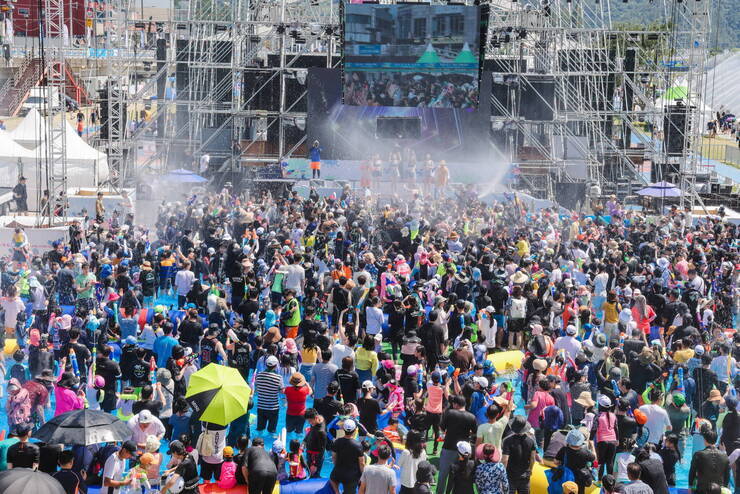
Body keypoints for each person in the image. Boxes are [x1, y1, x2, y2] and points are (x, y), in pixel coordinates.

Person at [437, 395, 477, 494]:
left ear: (455, 404)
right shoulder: (471, 417)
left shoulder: (450, 413)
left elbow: (442, 428)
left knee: (443, 474)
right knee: (455, 475)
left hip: (448, 448)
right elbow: (475, 432)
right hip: (463, 451)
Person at [501, 415, 536, 494]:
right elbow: (532, 458)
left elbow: (505, 459)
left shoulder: (507, 440)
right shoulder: (531, 441)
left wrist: (502, 474)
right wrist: (530, 470)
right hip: (524, 476)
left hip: (510, 475)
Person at [689, 429, 731, 494]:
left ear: (704, 440)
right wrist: (724, 487)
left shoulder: (698, 454)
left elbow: (692, 472)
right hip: (718, 490)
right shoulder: (724, 456)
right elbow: (727, 475)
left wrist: (690, 486)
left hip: (702, 490)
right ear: (716, 440)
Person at [330, 419, 365, 494]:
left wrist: (337, 467)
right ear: (355, 430)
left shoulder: (337, 442)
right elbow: (361, 463)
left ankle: (337, 492)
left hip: (338, 474)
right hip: (352, 477)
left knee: (332, 479)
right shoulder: (358, 445)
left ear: (343, 429)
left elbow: (333, 457)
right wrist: (363, 476)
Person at [254, 355, 284, 435]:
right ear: (276, 366)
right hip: (273, 408)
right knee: (272, 431)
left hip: (261, 407)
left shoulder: (259, 375)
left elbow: (256, 389)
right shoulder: (278, 378)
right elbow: (282, 392)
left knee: (260, 430)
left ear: (266, 365)